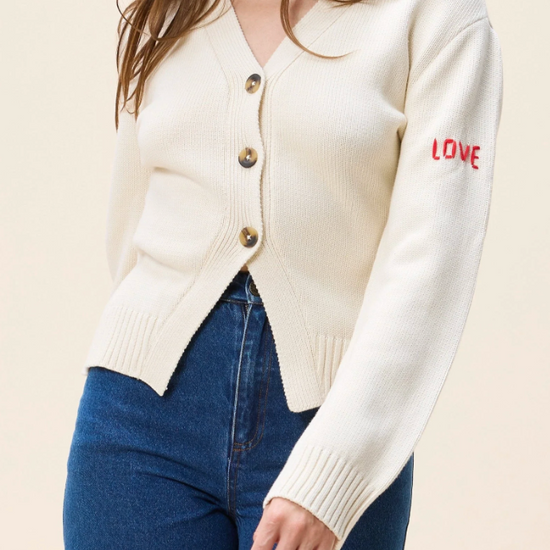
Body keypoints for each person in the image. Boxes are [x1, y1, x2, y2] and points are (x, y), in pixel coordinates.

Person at [62, 0, 504, 548]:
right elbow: (130, 221)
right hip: (137, 426)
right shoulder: (169, 11)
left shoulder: (438, 18)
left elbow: (430, 260)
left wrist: (335, 470)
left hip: (330, 419)